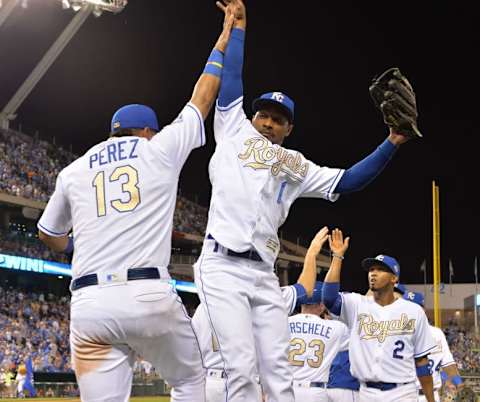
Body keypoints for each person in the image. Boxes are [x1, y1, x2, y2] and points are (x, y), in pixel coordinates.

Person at [195, 0, 417, 400]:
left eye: (277, 118)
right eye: (263, 114)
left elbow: (348, 181)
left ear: (288, 128)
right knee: (242, 370)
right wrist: (240, 28)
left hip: (263, 272)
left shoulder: (296, 165)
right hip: (221, 265)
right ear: (253, 115)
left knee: (280, 374)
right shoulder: (233, 128)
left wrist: (392, 142)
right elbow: (231, 79)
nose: (267, 121)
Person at [36, 6, 236, 402]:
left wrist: (74, 247)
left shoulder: (74, 170)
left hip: (89, 305)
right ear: (146, 130)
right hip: (146, 295)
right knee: (192, 380)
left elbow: (48, 233)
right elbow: (202, 98)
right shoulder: (156, 149)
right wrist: (223, 41)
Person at [193, 227, 330, 402]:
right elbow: (305, 289)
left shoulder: (204, 305)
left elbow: (192, 352)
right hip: (243, 383)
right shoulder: (262, 297)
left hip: (210, 382)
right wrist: (311, 254)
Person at [322, 229, 436, 402]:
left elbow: (422, 362)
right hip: (367, 393)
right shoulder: (357, 304)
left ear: (394, 279)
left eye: (381, 270)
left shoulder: (413, 311)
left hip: (402, 392)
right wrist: (337, 257)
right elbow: (329, 299)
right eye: (371, 269)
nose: (373, 273)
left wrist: (430, 400)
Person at [288, 285, 347, 402]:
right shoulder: (336, 328)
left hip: (287, 389)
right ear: (322, 305)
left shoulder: (283, 322)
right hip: (315, 392)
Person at [402, 291, 464, 402]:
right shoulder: (395, 334)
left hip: (431, 395)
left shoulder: (437, 334)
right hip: (404, 395)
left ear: (423, 310)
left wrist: (459, 384)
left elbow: (448, 364)